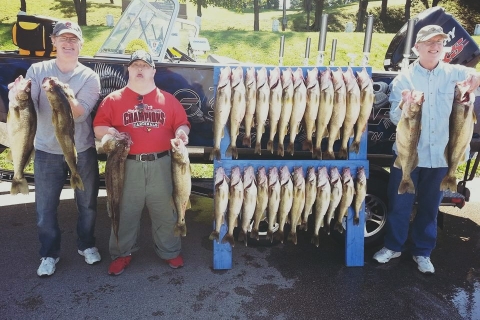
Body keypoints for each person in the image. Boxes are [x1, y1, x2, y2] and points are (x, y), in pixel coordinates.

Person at [373, 25, 480, 274]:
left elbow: (474, 80)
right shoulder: (404, 79)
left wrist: (476, 79)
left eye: (439, 43)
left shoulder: (456, 73)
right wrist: (406, 103)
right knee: (399, 204)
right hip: (407, 155)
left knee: (430, 207)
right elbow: (395, 114)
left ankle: (423, 252)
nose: (434, 47)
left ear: (444, 47)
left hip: (441, 156)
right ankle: (393, 246)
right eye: (429, 42)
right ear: (416, 47)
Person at [93, 50, 190, 276]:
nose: (139, 69)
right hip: (126, 165)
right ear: (128, 69)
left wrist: (181, 133)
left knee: (166, 210)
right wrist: (111, 133)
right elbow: (98, 129)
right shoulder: (113, 99)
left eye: (144, 66)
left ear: (153, 71)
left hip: (162, 164)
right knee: (124, 211)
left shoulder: (168, 100)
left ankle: (170, 251)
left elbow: (183, 123)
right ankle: (121, 253)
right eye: (135, 65)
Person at [22, 20, 102, 276]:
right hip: (46, 150)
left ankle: (86, 245)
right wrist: (17, 92)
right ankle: (49, 253)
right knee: (45, 209)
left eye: (73, 39)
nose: (68, 43)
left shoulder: (90, 76)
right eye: (63, 39)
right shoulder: (37, 70)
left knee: (88, 204)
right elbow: (27, 106)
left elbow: (79, 115)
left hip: (82, 150)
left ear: (80, 45)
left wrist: (66, 95)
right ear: (53, 42)